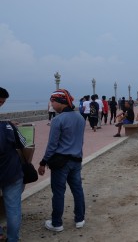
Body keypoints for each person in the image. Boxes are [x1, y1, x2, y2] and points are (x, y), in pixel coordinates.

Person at [37, 89, 86, 232]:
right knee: (77, 190)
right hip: (76, 160)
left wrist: (43, 162)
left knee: (58, 192)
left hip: (61, 162)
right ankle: (80, 219)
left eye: (53, 101)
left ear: (61, 102)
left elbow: (52, 145)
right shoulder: (80, 118)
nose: (51, 104)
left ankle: (57, 223)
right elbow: (80, 141)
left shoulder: (58, 120)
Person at [0, 87, 25, 242]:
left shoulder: (5, 125)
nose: (2, 105)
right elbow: (23, 143)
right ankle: (12, 239)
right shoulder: (8, 127)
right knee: (13, 208)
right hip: (11, 172)